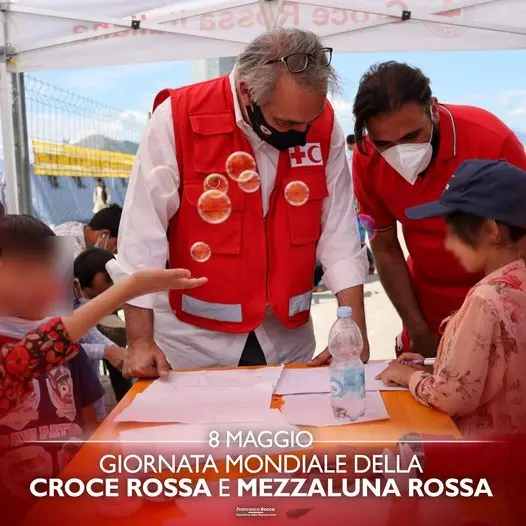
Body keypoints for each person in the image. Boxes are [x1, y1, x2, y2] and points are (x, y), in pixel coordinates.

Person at [114, 28, 369, 376]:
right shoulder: (177, 117)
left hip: (287, 341)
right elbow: (142, 236)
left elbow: (339, 231)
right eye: (288, 123)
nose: (301, 134)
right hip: (193, 344)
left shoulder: (322, 127)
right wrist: (140, 341)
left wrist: (355, 330)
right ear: (248, 92)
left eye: (309, 121)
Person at [0, 213, 207, 524]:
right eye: (26, 270)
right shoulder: (38, 347)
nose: (45, 284)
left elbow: (89, 430)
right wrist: (128, 288)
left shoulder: (66, 349)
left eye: (49, 270)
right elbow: (27, 357)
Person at [352, 61, 526, 357]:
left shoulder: (491, 138)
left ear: (432, 108)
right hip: (426, 305)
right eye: (385, 143)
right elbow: (384, 246)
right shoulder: (367, 156)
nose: (400, 153)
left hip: (500, 299)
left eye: (410, 137)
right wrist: (417, 327)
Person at [377, 160, 526, 437]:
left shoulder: (487, 297)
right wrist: (435, 365)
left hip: (490, 458)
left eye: (453, 232)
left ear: (493, 230)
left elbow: (453, 396)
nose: (447, 244)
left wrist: (407, 375)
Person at [74, 248, 132, 404]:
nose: (110, 284)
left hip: (89, 386)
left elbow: (88, 332)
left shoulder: (75, 297)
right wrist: (106, 351)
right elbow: (59, 345)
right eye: (107, 277)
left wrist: (115, 350)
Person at [347, 134, 375, 274]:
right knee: (362, 234)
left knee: (358, 235)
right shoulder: (363, 156)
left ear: (349, 144)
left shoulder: (352, 159)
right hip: (364, 200)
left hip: (356, 201)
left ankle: (369, 262)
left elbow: (351, 183)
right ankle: (370, 262)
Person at [53, 203, 122, 257]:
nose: (115, 251)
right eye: (116, 245)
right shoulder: (72, 250)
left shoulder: (76, 227)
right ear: (104, 235)